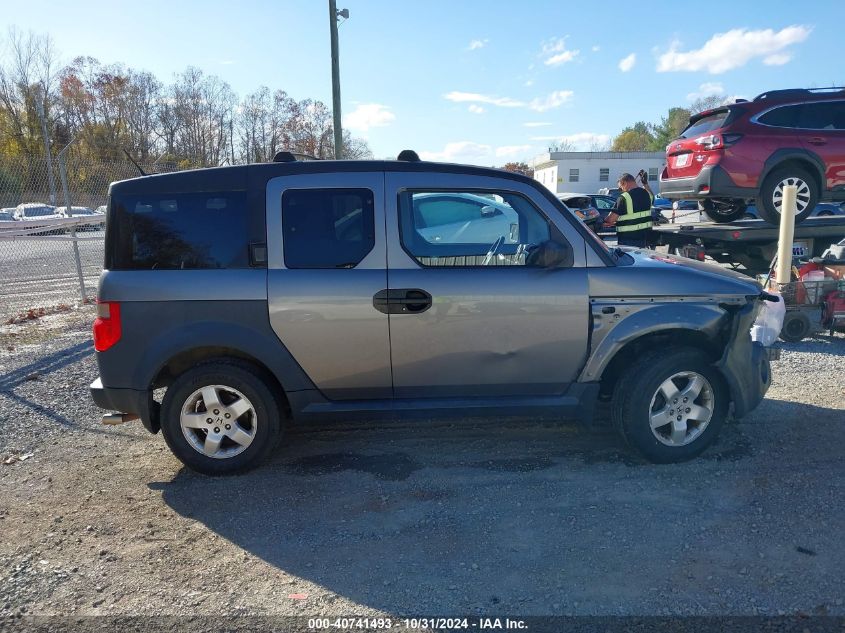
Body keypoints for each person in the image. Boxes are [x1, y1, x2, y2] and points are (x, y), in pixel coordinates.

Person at [603, 170, 654, 248]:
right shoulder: (647, 194)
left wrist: (602, 221)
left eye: (620, 188)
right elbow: (651, 195)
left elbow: (610, 220)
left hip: (628, 240)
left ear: (624, 183)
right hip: (645, 238)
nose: (621, 190)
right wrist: (645, 183)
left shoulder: (624, 197)